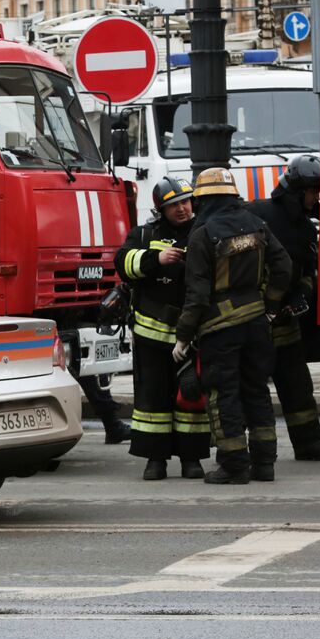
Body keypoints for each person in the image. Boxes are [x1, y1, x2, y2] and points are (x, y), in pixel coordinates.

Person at [175, 167, 293, 485]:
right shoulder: (257, 225)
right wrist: (270, 306)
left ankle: (234, 465)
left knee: (223, 395)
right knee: (256, 390)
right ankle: (265, 463)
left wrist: (183, 336)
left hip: (220, 328)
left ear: (204, 200)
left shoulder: (203, 234)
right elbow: (283, 267)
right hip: (257, 325)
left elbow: (197, 294)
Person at [114, 176, 208, 480]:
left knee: (190, 398)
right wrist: (157, 258)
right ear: (161, 209)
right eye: (173, 205)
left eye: (185, 201)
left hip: (192, 335)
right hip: (151, 336)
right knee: (152, 401)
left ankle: (191, 459)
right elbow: (122, 262)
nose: (181, 209)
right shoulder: (145, 234)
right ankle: (155, 460)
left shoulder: (203, 231)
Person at [247, 154, 320, 461]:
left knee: (298, 386)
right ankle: (245, 450)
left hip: (285, 322)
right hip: (254, 322)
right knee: (249, 388)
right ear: (297, 191)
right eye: (313, 191)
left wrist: (303, 292)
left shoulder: (305, 228)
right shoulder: (257, 214)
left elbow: (306, 272)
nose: (317, 197)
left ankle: (309, 444)